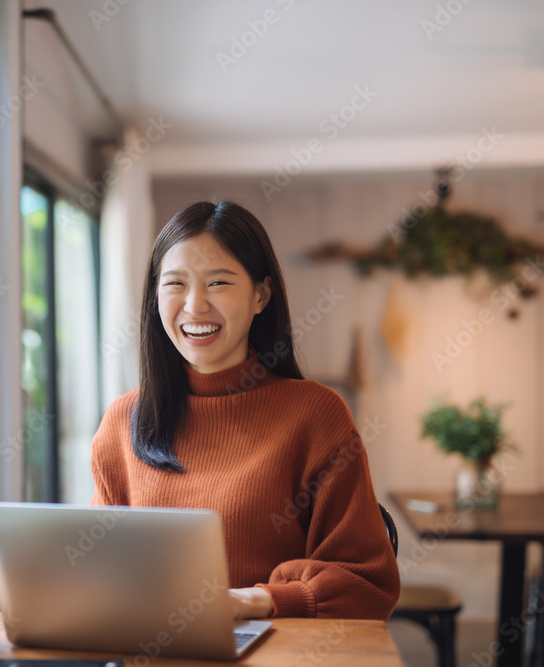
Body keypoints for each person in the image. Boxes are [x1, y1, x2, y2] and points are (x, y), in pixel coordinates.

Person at [90, 200, 400, 621]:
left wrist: (257, 600)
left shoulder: (315, 414)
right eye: (175, 284)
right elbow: (94, 567)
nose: (195, 306)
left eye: (218, 283)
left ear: (261, 295)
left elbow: (367, 583)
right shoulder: (122, 421)